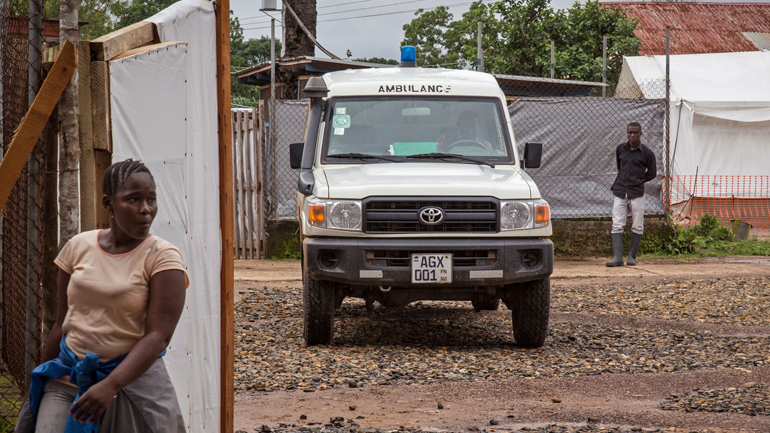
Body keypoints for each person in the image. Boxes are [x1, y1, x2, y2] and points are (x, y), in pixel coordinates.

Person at [16, 159, 188, 433]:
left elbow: (159, 336)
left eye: (151, 200)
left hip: (134, 383)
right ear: (109, 203)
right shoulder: (78, 247)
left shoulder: (162, 257)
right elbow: (62, 324)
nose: (146, 209)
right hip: (68, 378)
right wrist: (36, 387)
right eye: (134, 199)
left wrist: (110, 385)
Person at [606, 122, 657, 267]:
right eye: (630, 132)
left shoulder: (647, 153)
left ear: (641, 134)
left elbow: (652, 173)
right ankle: (617, 258)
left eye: (635, 132)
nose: (632, 135)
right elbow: (619, 167)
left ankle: (631, 257)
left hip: (637, 193)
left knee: (637, 225)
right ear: (627, 133)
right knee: (617, 224)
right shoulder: (620, 149)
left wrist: (638, 181)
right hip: (620, 191)